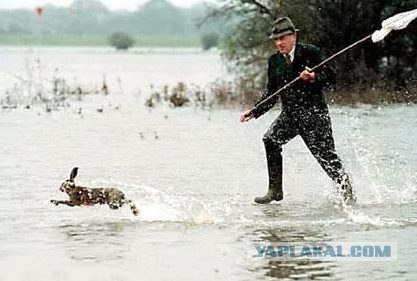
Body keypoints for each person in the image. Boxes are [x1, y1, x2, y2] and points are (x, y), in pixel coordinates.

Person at [240, 17, 355, 204]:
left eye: (283, 38)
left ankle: (348, 195)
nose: (279, 43)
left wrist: (313, 77)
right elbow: (272, 92)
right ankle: (275, 190)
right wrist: (255, 111)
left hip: (314, 115)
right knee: (270, 140)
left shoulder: (311, 52)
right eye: (276, 40)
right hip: (290, 116)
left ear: (294, 36)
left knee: (327, 158)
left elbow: (331, 77)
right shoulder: (274, 61)